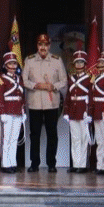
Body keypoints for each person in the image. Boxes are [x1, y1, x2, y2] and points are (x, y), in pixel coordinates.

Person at [22, 33, 67, 172]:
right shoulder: (29, 60)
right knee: (34, 134)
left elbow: (64, 80)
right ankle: (34, 163)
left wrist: (53, 86)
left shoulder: (56, 60)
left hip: (51, 103)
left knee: (52, 134)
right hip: (35, 103)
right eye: (40, 45)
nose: (43, 47)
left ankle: (51, 164)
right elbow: (23, 80)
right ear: (37, 45)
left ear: (49, 46)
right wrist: (37, 86)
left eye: (45, 45)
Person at [0, 53, 25, 174]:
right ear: (5, 65)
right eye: (10, 63)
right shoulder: (1, 78)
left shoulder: (19, 78)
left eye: (14, 63)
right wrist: (1, 112)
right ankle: (5, 163)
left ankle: (12, 162)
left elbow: (21, 96)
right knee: (6, 139)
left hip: (17, 112)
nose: (13, 66)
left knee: (14, 139)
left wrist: (23, 110)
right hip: (7, 111)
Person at [64, 51, 92, 174]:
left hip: (83, 111)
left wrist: (89, 113)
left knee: (84, 138)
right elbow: (68, 96)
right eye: (77, 62)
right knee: (75, 139)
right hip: (73, 111)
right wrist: (66, 111)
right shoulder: (71, 78)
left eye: (81, 62)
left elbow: (91, 96)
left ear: (85, 64)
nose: (79, 64)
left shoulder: (89, 79)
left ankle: (83, 164)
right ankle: (75, 164)